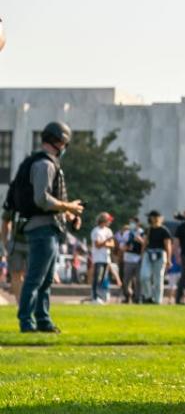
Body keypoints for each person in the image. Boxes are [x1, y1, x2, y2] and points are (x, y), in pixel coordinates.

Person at [16, 122, 84, 333]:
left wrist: (69, 214)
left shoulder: (48, 163)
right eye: (64, 143)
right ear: (58, 141)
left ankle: (43, 319)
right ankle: (27, 321)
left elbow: (50, 200)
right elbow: (42, 199)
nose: (65, 147)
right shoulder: (44, 165)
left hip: (50, 228)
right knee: (36, 278)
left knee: (45, 280)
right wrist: (69, 206)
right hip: (41, 228)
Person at [139, 210, 172, 304]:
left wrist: (169, 259)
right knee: (144, 276)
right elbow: (145, 243)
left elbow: (168, 246)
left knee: (158, 279)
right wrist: (142, 254)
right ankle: (148, 296)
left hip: (160, 254)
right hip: (148, 253)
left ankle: (157, 300)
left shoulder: (164, 230)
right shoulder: (148, 229)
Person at [89, 212, 115, 304]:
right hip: (98, 258)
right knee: (97, 278)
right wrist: (106, 241)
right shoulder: (95, 231)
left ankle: (99, 296)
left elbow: (112, 244)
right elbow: (97, 245)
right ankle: (94, 297)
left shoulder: (108, 231)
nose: (110, 222)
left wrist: (105, 243)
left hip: (106, 258)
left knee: (103, 278)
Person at [119, 217, 144, 304]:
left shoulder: (142, 232)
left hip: (138, 259)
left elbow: (146, 244)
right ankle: (128, 295)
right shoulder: (127, 233)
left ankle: (137, 298)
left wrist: (141, 240)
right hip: (128, 259)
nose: (131, 224)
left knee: (138, 280)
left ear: (137, 223)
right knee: (126, 280)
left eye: (133, 223)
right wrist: (124, 247)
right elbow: (121, 245)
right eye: (130, 223)